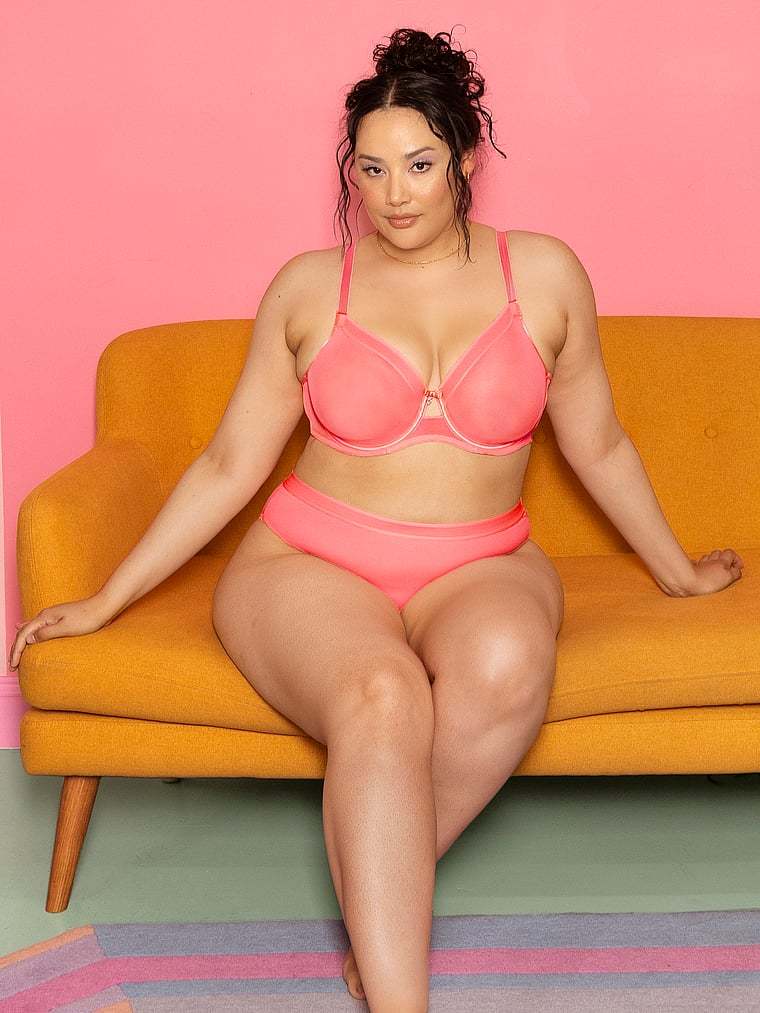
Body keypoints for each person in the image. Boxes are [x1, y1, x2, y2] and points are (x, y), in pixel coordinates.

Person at [10, 26, 744, 1013]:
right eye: (371, 167)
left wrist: (678, 572)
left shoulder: (544, 275)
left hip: (482, 559)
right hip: (308, 561)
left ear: (466, 159)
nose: (395, 193)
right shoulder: (310, 287)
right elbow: (229, 463)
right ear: (349, 170)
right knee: (383, 695)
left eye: (420, 164)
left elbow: (600, 444)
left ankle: (379, 910)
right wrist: (105, 598)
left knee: (507, 664)